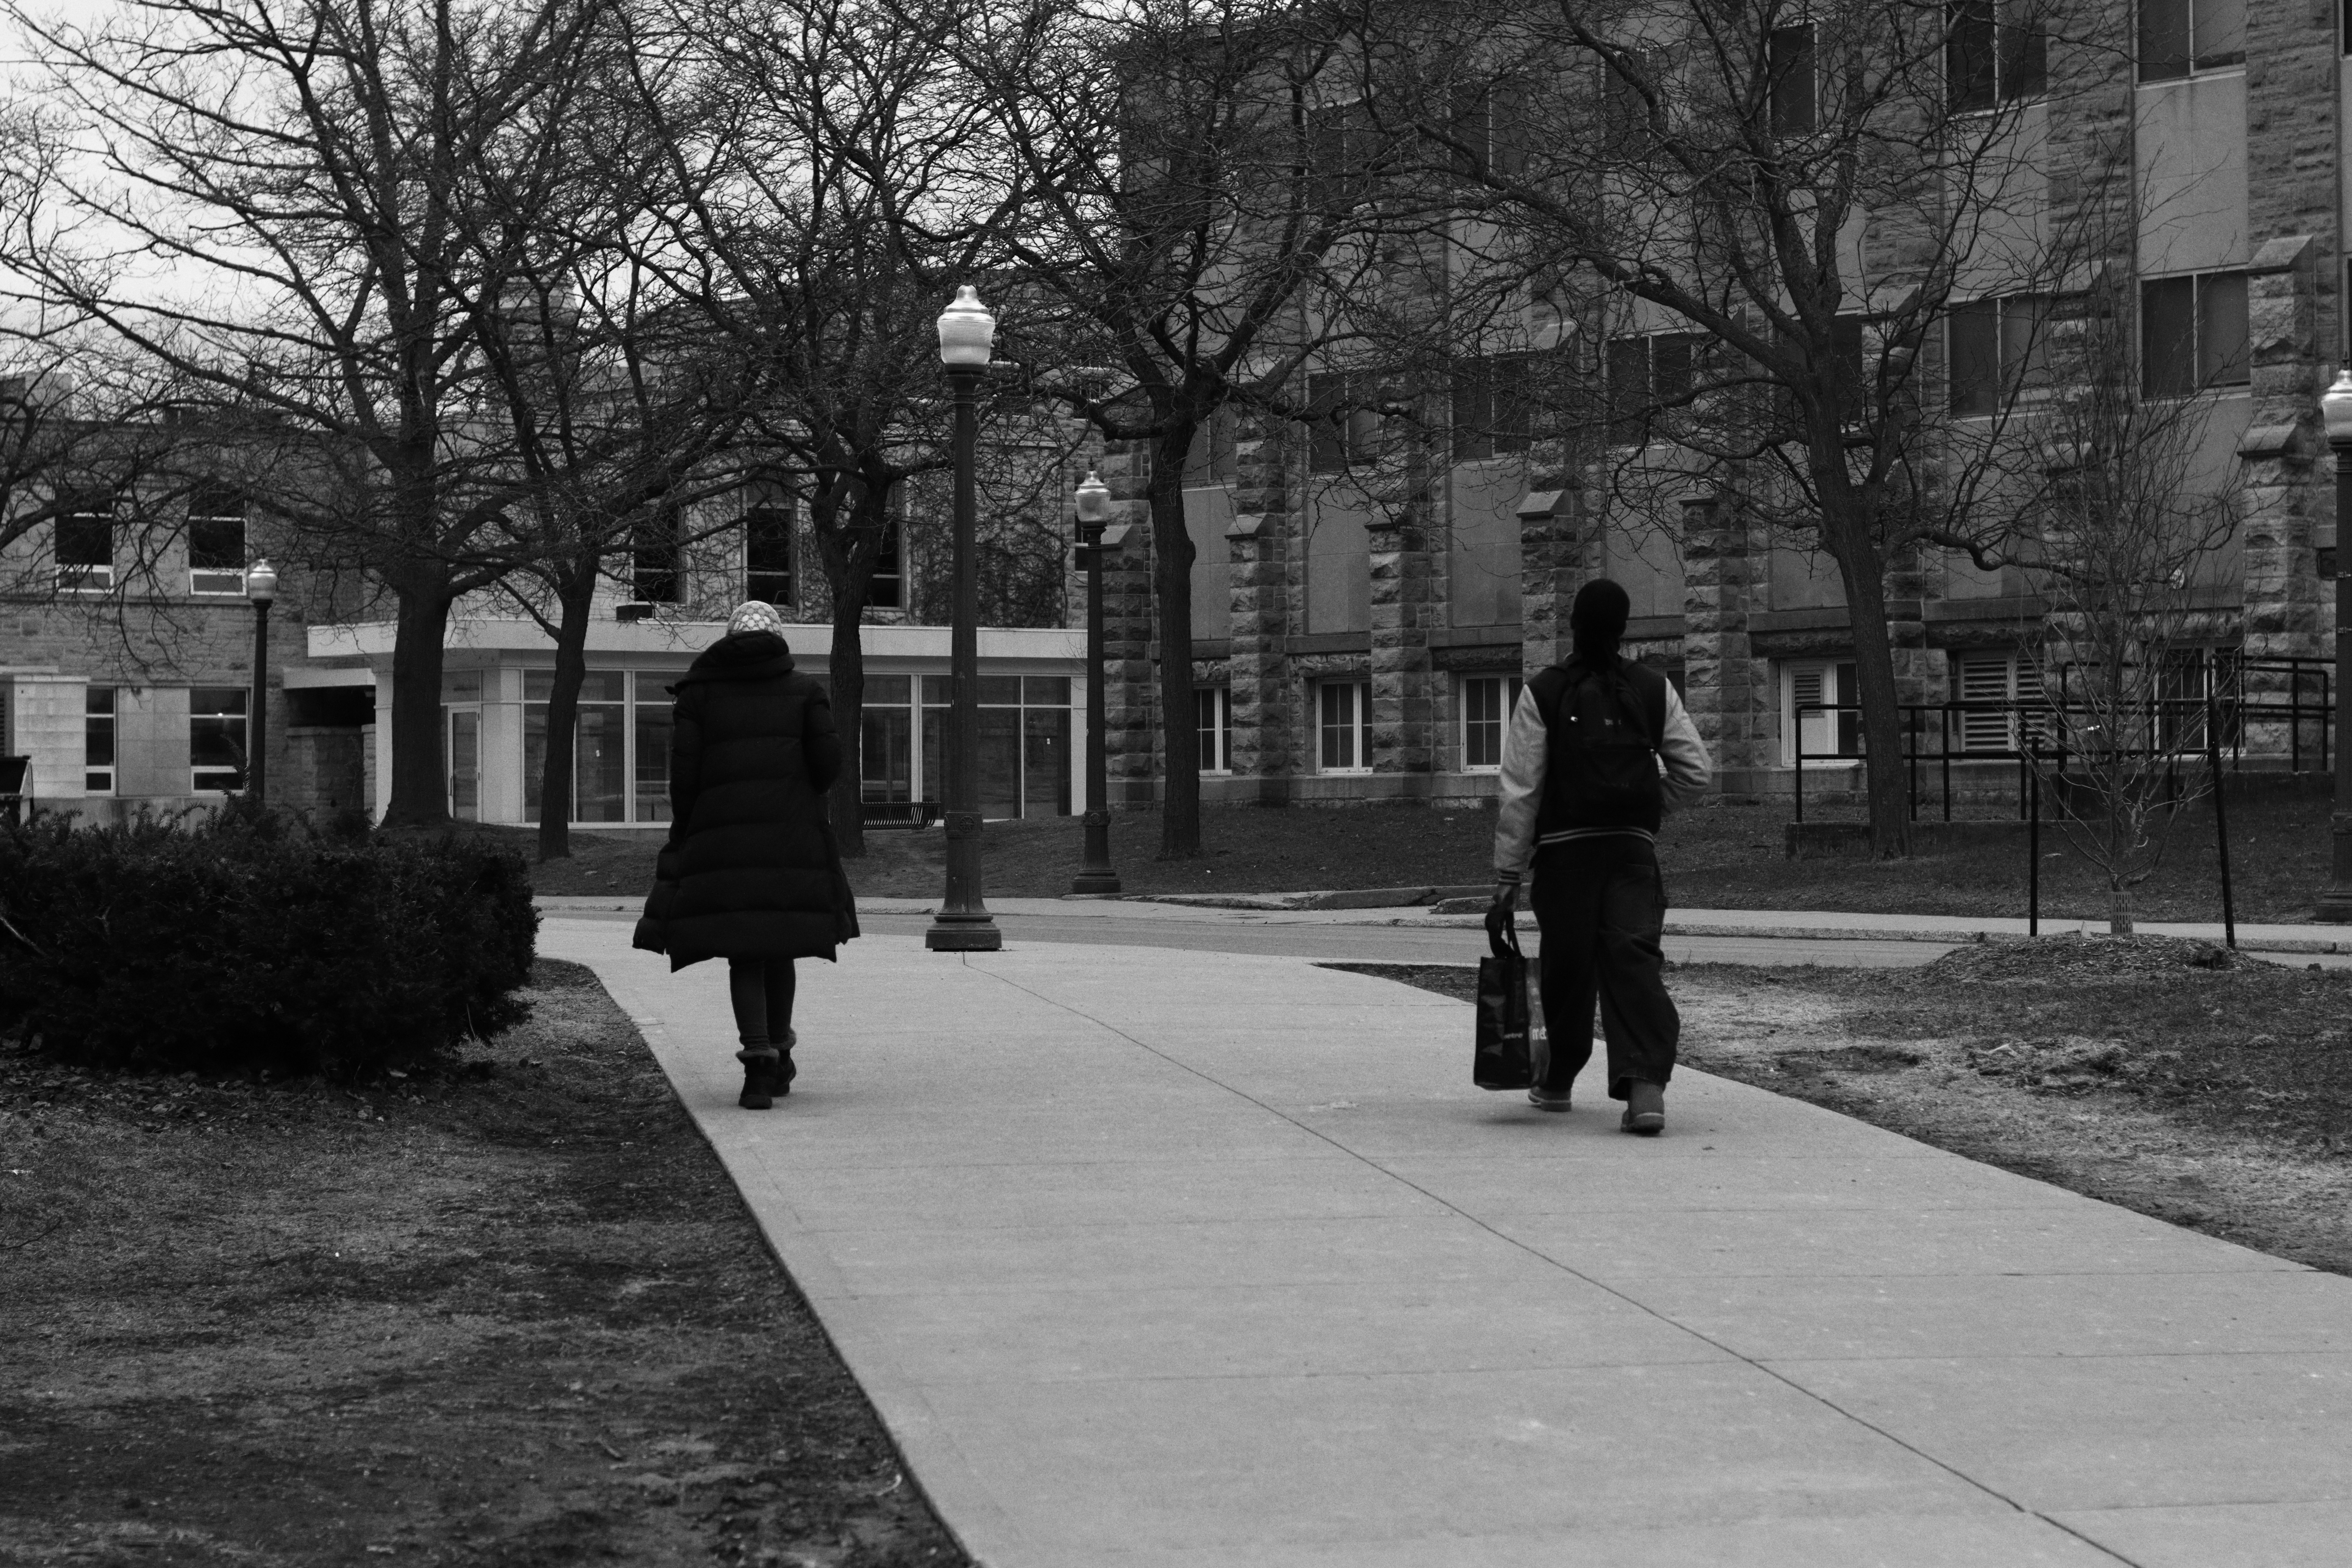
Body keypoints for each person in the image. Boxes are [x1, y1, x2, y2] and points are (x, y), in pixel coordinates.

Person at [1491, 579, 1711, 1133]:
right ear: (1623, 629)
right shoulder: (1653, 688)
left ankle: (1556, 1081)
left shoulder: (1543, 691)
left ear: (1573, 625)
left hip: (1565, 858)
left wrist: (1508, 874)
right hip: (1632, 854)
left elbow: (1521, 790)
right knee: (1634, 960)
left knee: (1569, 966)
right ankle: (1644, 1090)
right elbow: (1696, 771)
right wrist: (1645, 808)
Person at [657, 601, 858, 1110]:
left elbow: (683, 776)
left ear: (728, 639)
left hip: (723, 837)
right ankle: (781, 1052)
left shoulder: (699, 693)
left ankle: (757, 1065)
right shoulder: (805, 691)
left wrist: (689, 828)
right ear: (779, 639)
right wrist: (795, 793)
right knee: (781, 941)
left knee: (744, 947)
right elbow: (829, 763)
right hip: (790, 835)